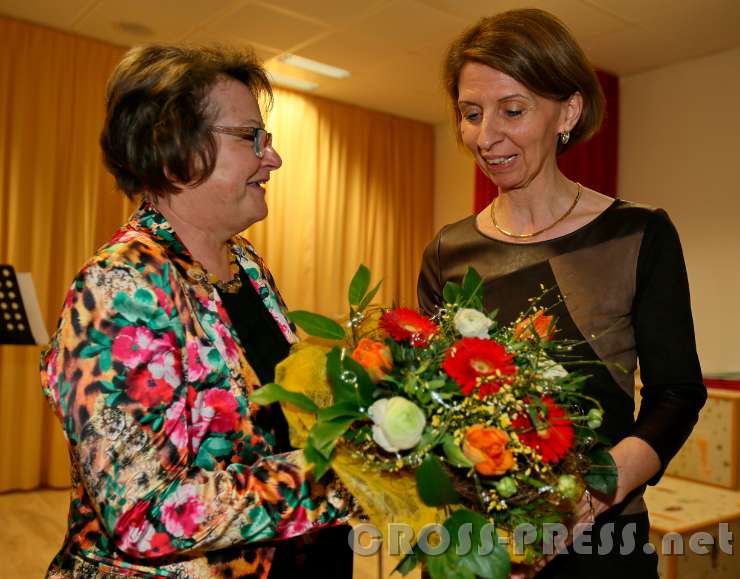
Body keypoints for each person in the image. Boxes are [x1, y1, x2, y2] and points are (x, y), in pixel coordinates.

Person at [40, 44, 353, 578]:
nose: (271, 158)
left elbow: (270, 425)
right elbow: (147, 514)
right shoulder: (120, 287)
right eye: (251, 138)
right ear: (173, 152)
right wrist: (343, 479)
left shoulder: (245, 266)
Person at [417, 9, 706, 578]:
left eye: (513, 110)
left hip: (603, 542)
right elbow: (436, 404)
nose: (485, 135)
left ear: (567, 112)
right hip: (478, 544)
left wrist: (591, 498)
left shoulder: (637, 233)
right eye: (471, 114)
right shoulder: (449, 250)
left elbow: (676, 395)